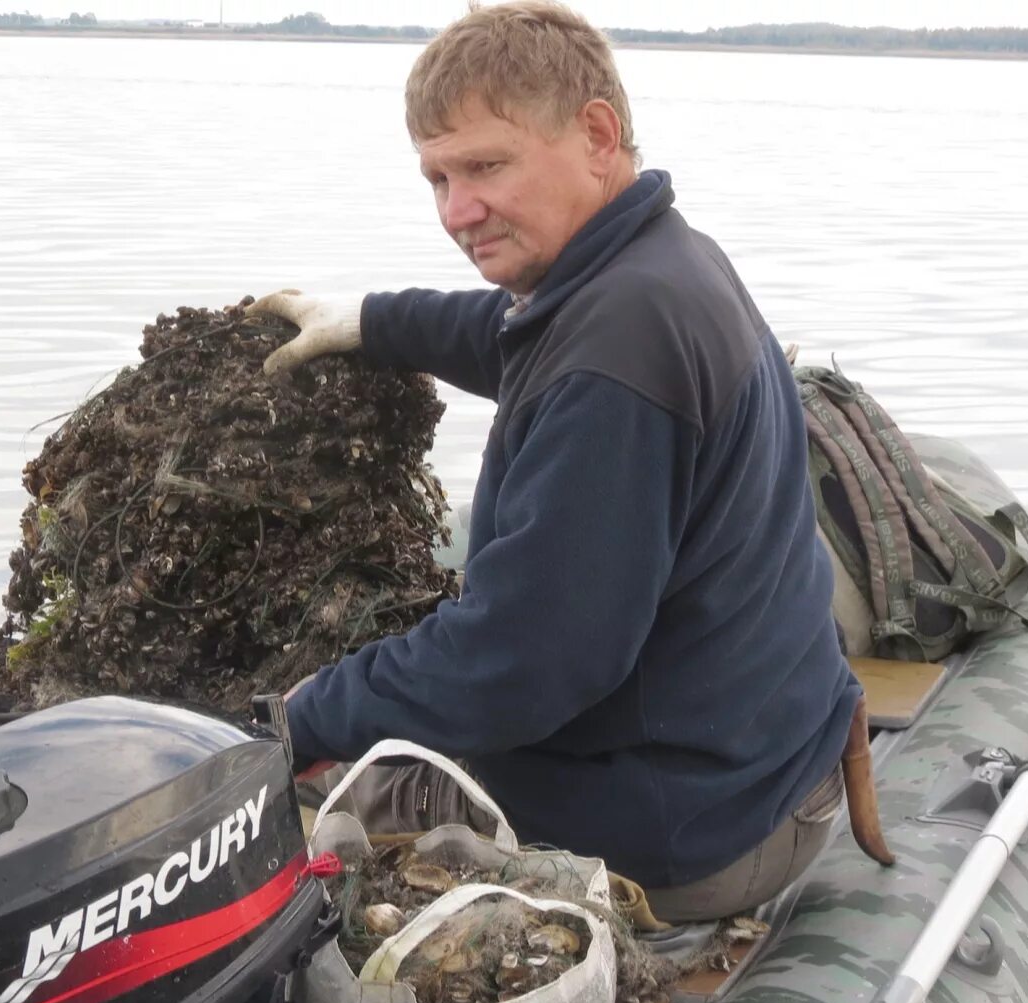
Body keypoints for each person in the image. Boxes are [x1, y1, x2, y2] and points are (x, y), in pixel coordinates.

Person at [254, 0, 863, 924]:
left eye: (487, 166)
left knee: (295, 831)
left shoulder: (620, 347)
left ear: (596, 135)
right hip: (755, 760)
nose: (459, 210)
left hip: (685, 832)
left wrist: (307, 717)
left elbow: (525, 663)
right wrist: (372, 321)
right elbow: (511, 336)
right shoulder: (653, 262)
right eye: (437, 178)